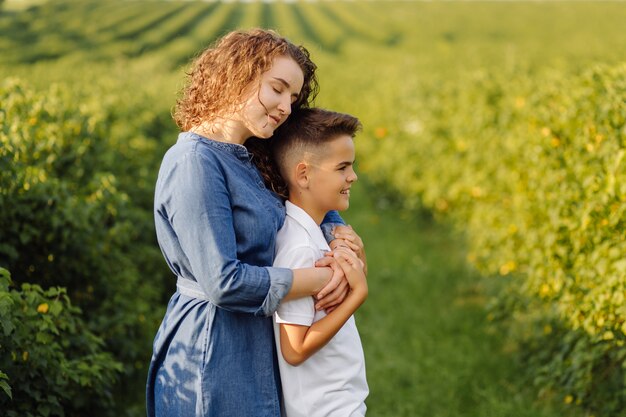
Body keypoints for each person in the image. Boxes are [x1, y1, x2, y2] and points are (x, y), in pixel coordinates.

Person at [146, 29, 367, 417]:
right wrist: (319, 278)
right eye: (277, 89)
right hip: (213, 345)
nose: (284, 106)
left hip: (254, 335)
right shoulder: (196, 162)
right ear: (238, 75)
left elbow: (303, 194)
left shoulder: (250, 153)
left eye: (293, 98)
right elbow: (223, 282)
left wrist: (339, 238)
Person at [271, 108, 369, 417]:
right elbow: (294, 349)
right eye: (342, 167)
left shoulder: (315, 234)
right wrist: (356, 297)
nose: (352, 176)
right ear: (303, 175)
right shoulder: (298, 248)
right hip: (324, 407)